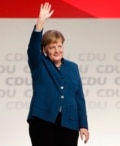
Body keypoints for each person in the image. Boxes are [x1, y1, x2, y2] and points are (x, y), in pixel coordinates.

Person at [26, 2, 89, 146]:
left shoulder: (73, 67)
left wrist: (83, 125)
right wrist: (40, 22)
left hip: (69, 123)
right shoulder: (39, 63)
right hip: (43, 121)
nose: (57, 50)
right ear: (45, 50)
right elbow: (33, 48)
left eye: (59, 46)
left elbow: (79, 97)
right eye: (52, 47)